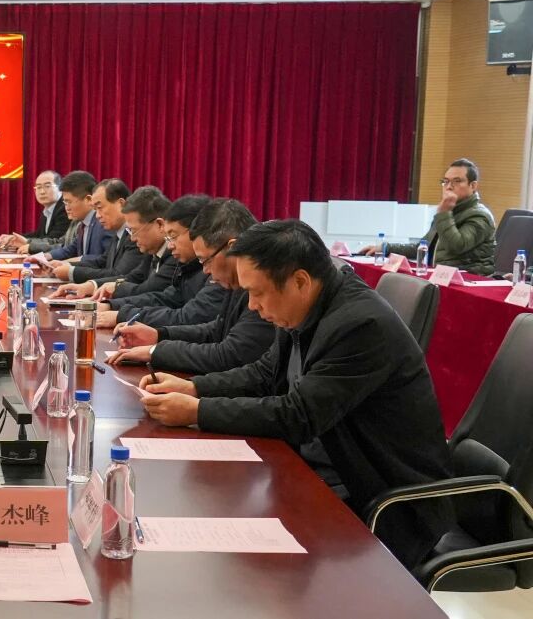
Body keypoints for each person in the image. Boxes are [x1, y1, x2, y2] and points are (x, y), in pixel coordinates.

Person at [141, 219, 452, 568]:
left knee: (251, 561)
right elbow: (265, 373)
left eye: (257, 293)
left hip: (380, 497)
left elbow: (299, 415)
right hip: (326, 468)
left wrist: (197, 411)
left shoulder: (360, 325)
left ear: (300, 281)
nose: (252, 306)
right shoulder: (307, 304)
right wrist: (195, 387)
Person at [108, 198, 273, 373]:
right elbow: (217, 330)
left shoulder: (263, 281)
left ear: (232, 247)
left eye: (206, 260)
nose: (206, 271)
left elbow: (231, 355)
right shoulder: (235, 280)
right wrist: (159, 335)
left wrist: (156, 352)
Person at [95, 194, 227, 329]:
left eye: (173, 236)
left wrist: (123, 315)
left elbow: (188, 317)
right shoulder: (189, 264)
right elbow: (165, 298)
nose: (170, 245)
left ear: (197, 232)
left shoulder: (219, 269)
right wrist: (112, 306)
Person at [371, 158, 496, 275]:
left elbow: (456, 246)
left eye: (457, 181)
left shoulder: (480, 216)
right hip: (441, 276)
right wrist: (386, 248)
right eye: (445, 181)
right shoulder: (448, 212)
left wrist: (444, 213)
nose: (449, 187)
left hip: (469, 279)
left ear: (473, 186)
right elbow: (422, 247)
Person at [51, 186, 176, 301]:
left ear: (160, 225)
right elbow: (134, 277)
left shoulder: (174, 254)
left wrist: (112, 302)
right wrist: (90, 286)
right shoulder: (151, 250)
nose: (132, 238)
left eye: (134, 231)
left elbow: (148, 289)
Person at [58, 179, 145, 282]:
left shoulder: (136, 235)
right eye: (95, 210)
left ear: (121, 203)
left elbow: (119, 275)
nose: (97, 216)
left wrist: (72, 272)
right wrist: (65, 265)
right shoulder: (118, 232)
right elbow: (101, 262)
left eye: (100, 207)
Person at [24, 170, 109, 262]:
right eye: (65, 202)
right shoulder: (83, 223)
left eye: (69, 202)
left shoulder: (103, 222)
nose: (66, 208)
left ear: (88, 200)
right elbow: (70, 249)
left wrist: (67, 265)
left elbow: (104, 259)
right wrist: (44, 257)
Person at [0, 170, 69, 249]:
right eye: (38, 187)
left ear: (60, 188)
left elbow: (54, 240)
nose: (42, 192)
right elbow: (39, 235)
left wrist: (26, 242)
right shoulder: (48, 209)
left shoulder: (66, 208)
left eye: (47, 186)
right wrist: (14, 238)